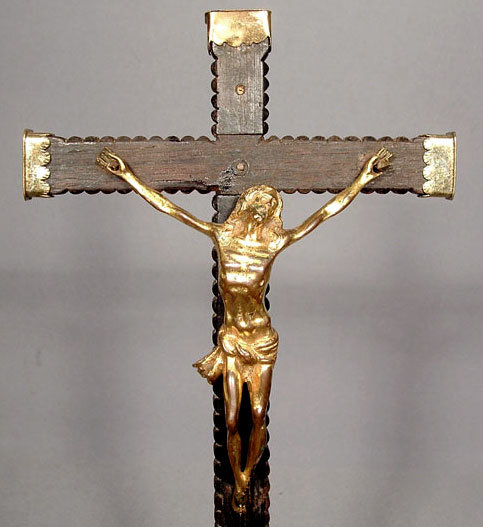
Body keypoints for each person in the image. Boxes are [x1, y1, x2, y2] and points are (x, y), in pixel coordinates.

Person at [97, 146, 392, 512]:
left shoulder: (274, 243)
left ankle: (246, 476)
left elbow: (323, 214)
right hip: (233, 339)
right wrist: (128, 176)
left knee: (257, 413)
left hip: (262, 341)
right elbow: (171, 209)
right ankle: (238, 478)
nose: (261, 210)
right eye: (257, 203)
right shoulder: (223, 237)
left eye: (269, 206)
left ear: (273, 212)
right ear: (246, 205)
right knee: (232, 419)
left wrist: (362, 180)